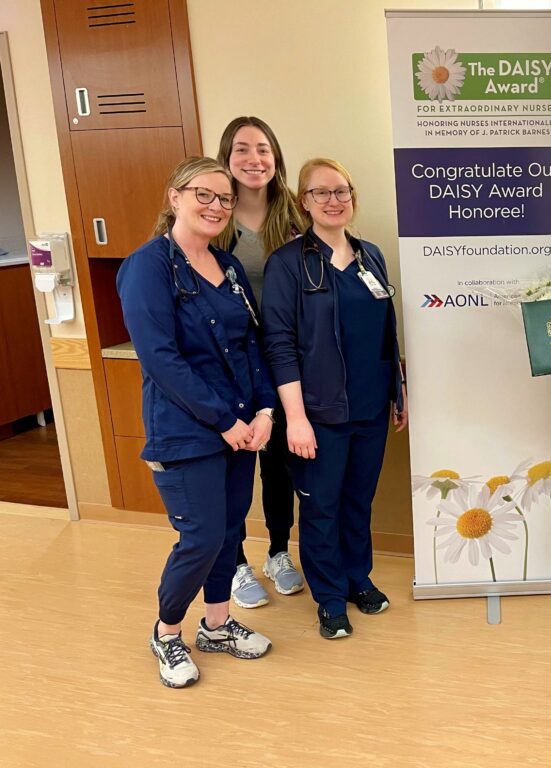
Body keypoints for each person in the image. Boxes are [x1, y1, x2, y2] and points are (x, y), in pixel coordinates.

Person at [117, 156, 275, 688]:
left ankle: (217, 624)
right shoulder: (148, 266)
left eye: (224, 199)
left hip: (239, 425)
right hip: (187, 431)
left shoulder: (227, 267)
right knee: (201, 536)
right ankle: (167, 633)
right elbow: (160, 358)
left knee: (229, 533)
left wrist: (264, 409)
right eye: (202, 194)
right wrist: (222, 420)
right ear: (174, 197)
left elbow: (251, 345)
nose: (214, 206)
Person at [262, 157, 407, 640]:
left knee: (357, 501)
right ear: (304, 203)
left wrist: (397, 391)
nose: (333, 200)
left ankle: (356, 578)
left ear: (353, 198)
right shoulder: (287, 264)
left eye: (341, 191)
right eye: (321, 193)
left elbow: (386, 331)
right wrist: (295, 418)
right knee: (321, 505)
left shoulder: (371, 257)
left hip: (369, 406)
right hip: (318, 413)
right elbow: (278, 344)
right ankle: (328, 596)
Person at [215, 116, 308, 609]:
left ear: (276, 157)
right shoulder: (214, 214)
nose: (255, 160)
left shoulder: (294, 214)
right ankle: (233, 563)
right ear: (226, 157)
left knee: (280, 467)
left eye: (264, 149)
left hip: (281, 358)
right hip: (228, 364)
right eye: (242, 150)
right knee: (233, 467)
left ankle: (277, 550)